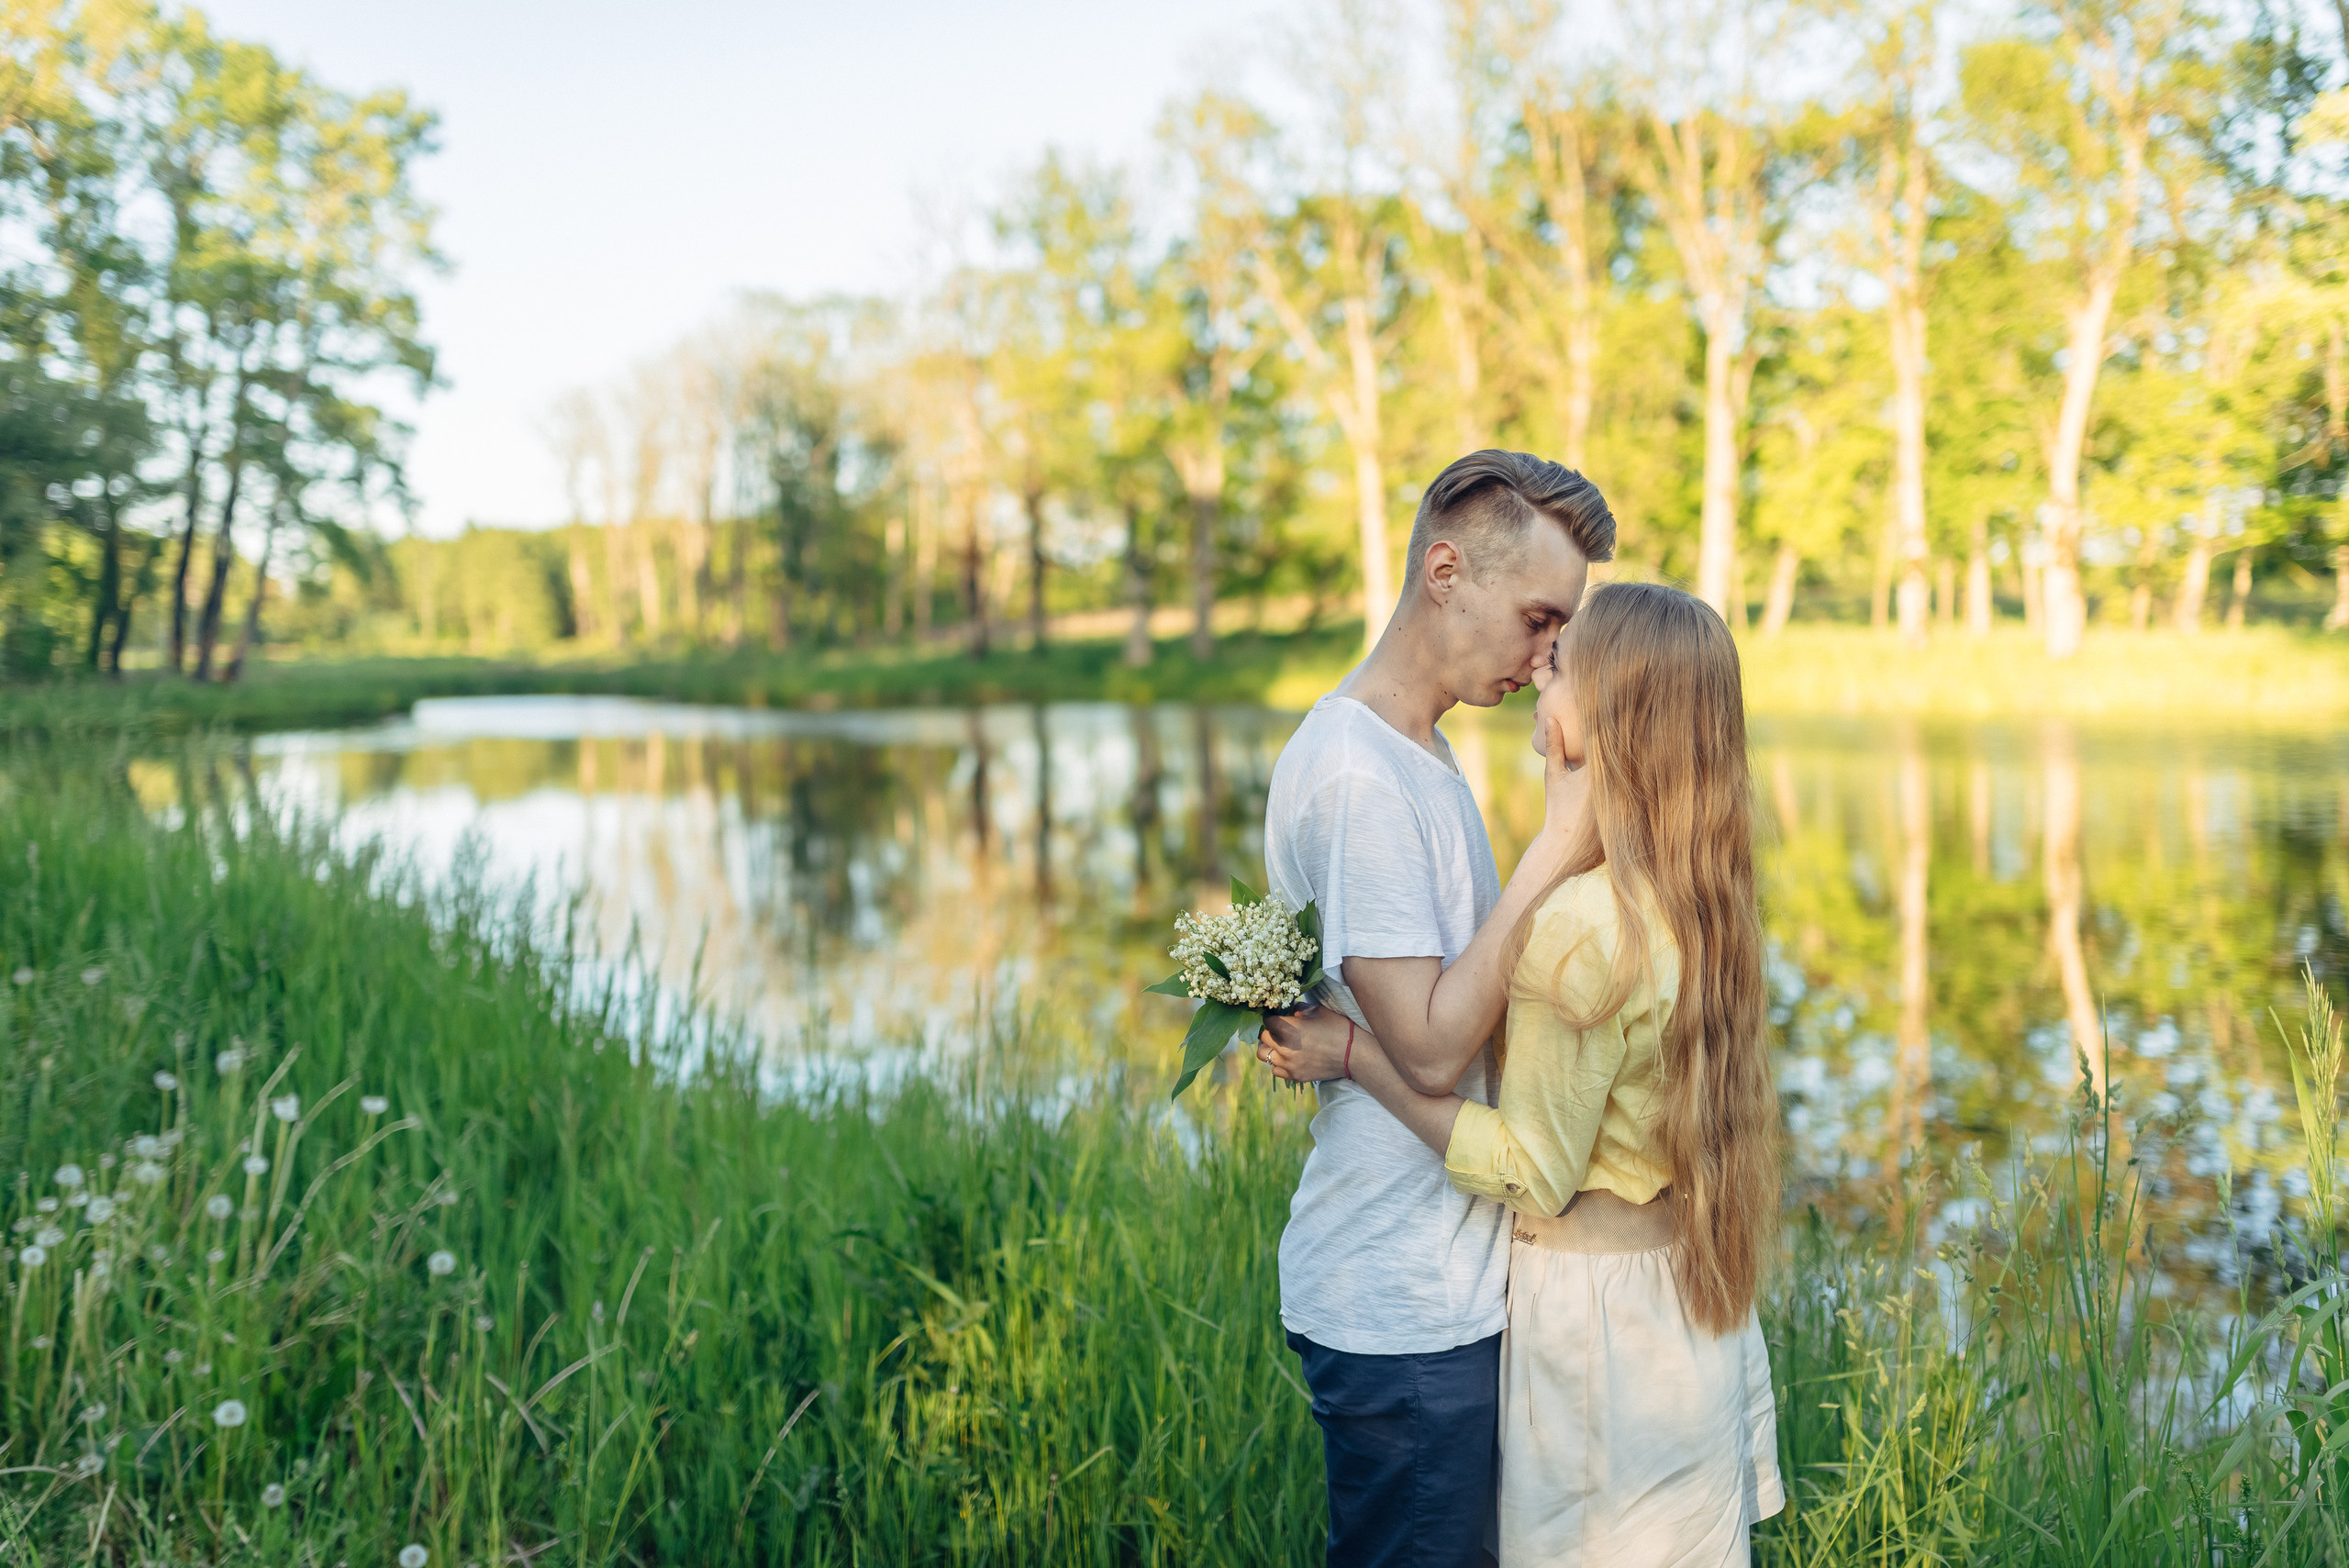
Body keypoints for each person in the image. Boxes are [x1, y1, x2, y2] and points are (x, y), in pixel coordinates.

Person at [1262, 580, 1785, 1566]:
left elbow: (1534, 1170)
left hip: (1595, 1328)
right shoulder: (1700, 899)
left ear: (1605, 718)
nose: (1537, 675)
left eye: (1561, 663)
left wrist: (1354, 1052)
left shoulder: (1585, 929)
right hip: (1684, 1302)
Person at [1261, 450, 1617, 1568]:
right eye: (1536, 619)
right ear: (1445, 570)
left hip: (1442, 1278)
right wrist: (1560, 840)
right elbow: (1422, 1044)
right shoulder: (1361, 773)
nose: (1545, 657)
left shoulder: (1421, 751)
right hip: (1401, 1293)